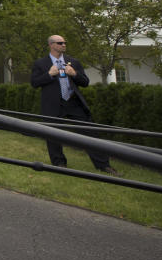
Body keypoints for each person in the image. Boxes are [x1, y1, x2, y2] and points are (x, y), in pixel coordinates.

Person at [30, 35, 120, 175]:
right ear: (51, 45)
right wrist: (49, 74)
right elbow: (34, 83)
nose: (64, 45)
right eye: (60, 43)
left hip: (73, 102)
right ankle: (59, 163)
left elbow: (85, 82)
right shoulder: (40, 63)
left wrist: (74, 74)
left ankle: (103, 165)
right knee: (53, 135)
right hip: (53, 104)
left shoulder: (73, 62)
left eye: (65, 42)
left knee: (89, 133)